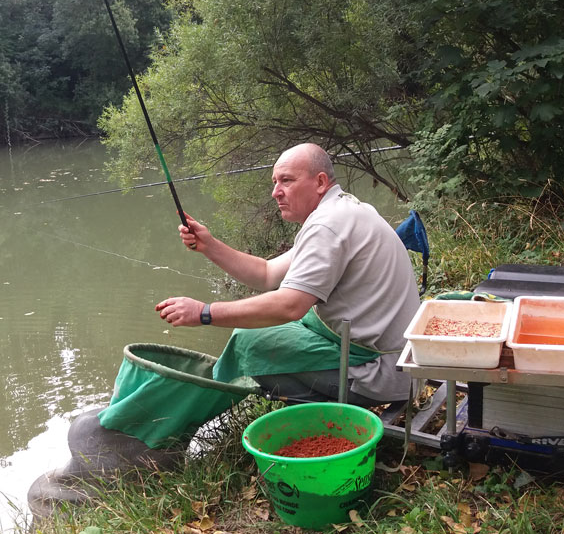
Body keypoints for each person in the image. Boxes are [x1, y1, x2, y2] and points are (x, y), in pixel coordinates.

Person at [154, 142, 420, 406]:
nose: (275, 192)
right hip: (399, 364)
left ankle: (324, 418)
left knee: (250, 345)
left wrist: (204, 312)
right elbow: (267, 273)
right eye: (275, 182)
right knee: (264, 332)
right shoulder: (342, 210)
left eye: (286, 181)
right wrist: (209, 246)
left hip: (382, 373)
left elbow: (290, 306)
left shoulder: (328, 225)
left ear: (320, 182)